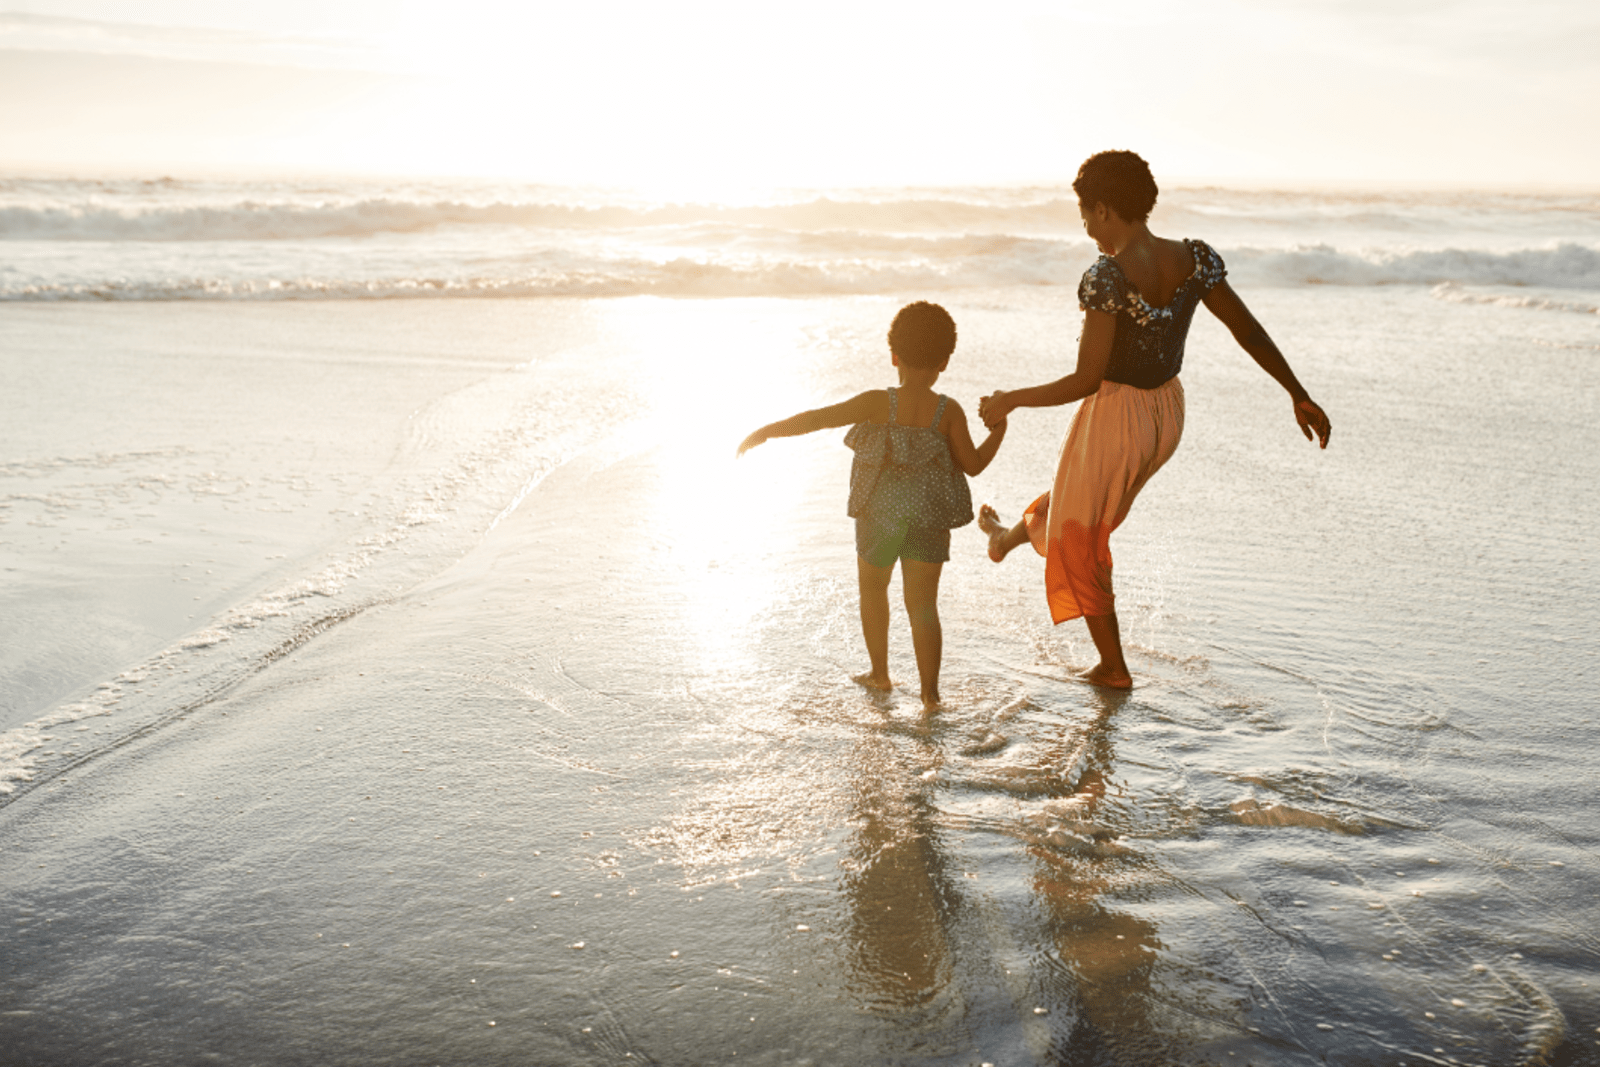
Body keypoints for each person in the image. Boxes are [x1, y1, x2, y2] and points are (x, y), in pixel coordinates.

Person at [977, 150, 1331, 689]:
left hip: (1118, 414)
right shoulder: (1193, 258)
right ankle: (1005, 540)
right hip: (1166, 414)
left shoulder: (1106, 277)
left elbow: (1086, 379)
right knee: (1077, 503)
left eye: (1086, 218)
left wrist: (1010, 400)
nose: (1089, 232)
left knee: (1082, 535)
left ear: (1102, 210)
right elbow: (1247, 329)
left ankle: (1113, 667)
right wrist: (1297, 393)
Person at [739, 302, 1008, 708]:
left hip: (878, 518)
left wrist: (768, 431)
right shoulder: (947, 411)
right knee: (923, 606)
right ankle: (930, 695)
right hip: (928, 520)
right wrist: (999, 429)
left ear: (894, 355)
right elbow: (973, 466)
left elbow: (819, 418)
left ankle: (880, 674)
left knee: (873, 590)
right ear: (945, 362)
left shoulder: (875, 403)